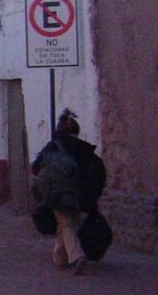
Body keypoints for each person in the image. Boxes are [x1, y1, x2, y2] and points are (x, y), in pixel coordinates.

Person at [31, 109, 106, 276]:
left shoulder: (54, 146)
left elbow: (36, 167)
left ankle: (76, 256)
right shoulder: (84, 148)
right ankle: (60, 260)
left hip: (58, 195)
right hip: (80, 195)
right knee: (68, 224)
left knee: (65, 224)